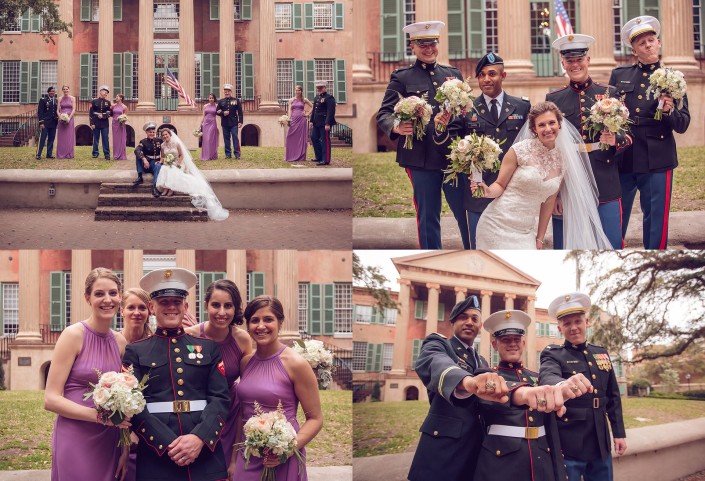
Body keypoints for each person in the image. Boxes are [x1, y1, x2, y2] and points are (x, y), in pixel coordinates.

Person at [122, 268, 231, 481]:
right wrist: (168, 444)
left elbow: (220, 399)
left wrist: (199, 438)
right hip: (157, 454)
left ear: (186, 306)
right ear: (152, 307)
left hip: (204, 452)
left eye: (177, 301)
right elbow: (133, 405)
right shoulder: (136, 351)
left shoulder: (208, 348)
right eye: (164, 302)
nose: (171, 307)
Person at [376, 21, 470, 249]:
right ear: (413, 47)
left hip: (452, 156)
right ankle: (431, 255)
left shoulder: (453, 75)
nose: (429, 49)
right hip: (420, 157)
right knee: (428, 216)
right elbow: (384, 114)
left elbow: (465, 114)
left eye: (432, 43)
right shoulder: (402, 77)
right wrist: (396, 127)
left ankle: (471, 249)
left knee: (465, 212)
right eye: (422, 45)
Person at [471, 101, 611, 249]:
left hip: (525, 232)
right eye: (541, 125)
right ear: (534, 129)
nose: (548, 129)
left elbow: (549, 201)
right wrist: (487, 191)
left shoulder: (563, 160)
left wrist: (540, 238)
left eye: (552, 123)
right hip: (496, 224)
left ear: (559, 124)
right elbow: (499, 185)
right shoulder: (519, 150)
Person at [474, 310, 593, 481]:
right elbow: (491, 398)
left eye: (516, 339)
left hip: (541, 459)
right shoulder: (486, 376)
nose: (512, 344)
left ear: (523, 343)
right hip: (502, 462)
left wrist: (562, 395)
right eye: (506, 340)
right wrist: (527, 393)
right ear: (494, 344)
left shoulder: (537, 377)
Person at [433, 52, 531, 248]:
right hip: (477, 192)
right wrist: (440, 127)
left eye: (492, 74)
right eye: (482, 75)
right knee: (478, 248)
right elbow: (449, 144)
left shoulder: (522, 106)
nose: (486, 79)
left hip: (512, 192)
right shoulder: (466, 109)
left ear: (503, 76)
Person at [409, 295, 511, 481]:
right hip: (443, 451)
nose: (469, 322)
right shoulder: (440, 344)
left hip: (475, 450)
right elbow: (435, 362)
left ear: (480, 327)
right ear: (453, 322)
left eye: (474, 319)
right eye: (463, 317)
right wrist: (468, 382)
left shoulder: (482, 361)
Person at [609, 16, 690, 249]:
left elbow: (683, 124)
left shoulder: (675, 79)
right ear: (634, 50)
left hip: (658, 156)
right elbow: (611, 114)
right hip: (625, 154)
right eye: (641, 42)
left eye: (651, 40)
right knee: (617, 218)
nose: (648, 45)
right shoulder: (620, 75)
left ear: (659, 43)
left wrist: (669, 110)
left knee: (655, 220)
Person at [547, 34, 632, 250]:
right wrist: (555, 193)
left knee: (611, 244)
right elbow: (550, 148)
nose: (575, 65)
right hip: (570, 180)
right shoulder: (554, 99)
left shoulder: (609, 94)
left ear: (588, 60)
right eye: (570, 61)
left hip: (605, 177)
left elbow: (629, 136)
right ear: (563, 64)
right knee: (566, 247)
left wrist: (616, 140)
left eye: (579, 59)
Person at [44, 267, 130, 481]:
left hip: (109, 439)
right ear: (87, 298)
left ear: (120, 296)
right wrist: (100, 417)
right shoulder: (73, 335)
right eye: (99, 294)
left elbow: (125, 401)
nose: (107, 299)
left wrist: (125, 450)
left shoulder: (120, 343)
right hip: (75, 435)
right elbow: (51, 399)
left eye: (112, 293)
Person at [232, 296, 323, 481]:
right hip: (247, 456)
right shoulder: (245, 363)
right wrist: (234, 460)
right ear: (248, 325)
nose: (261, 326)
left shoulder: (296, 364)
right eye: (254, 320)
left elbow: (315, 419)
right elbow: (242, 414)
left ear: (280, 322)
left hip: (283, 459)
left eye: (268, 319)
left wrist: (287, 449)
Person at [540, 293, 627, 481]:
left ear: (587, 322)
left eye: (577, 321)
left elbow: (613, 397)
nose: (573, 328)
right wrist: (562, 384)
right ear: (559, 328)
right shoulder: (553, 354)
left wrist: (618, 433)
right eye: (567, 323)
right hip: (570, 443)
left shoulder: (601, 353)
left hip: (600, 441)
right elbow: (547, 375)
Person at [184, 279, 253, 478]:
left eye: (228, 306)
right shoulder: (190, 336)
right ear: (206, 305)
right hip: (196, 417)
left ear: (236, 308)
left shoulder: (242, 339)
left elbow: (247, 387)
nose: (222, 312)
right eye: (216, 305)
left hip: (230, 415)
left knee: (227, 472)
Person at [155, 128, 229, 221]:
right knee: (165, 168)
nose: (165, 136)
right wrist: (160, 162)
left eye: (166, 134)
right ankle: (167, 188)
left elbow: (181, 155)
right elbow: (162, 157)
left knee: (172, 169)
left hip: (179, 163)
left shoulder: (176, 143)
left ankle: (169, 189)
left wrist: (178, 163)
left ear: (170, 135)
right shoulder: (162, 145)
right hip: (168, 163)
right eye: (163, 135)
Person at [120, 288, 154, 481]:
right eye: (131, 307)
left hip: (147, 428)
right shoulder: (114, 343)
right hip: (114, 427)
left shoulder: (154, 345)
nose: (137, 312)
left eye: (142, 307)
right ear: (122, 310)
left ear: (149, 310)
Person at [309, 80, 336, 166]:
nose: (319, 89)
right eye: (317, 88)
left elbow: (330, 111)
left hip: (324, 123)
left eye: (320, 88)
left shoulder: (329, 98)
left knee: (325, 141)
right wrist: (311, 121)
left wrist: (327, 123)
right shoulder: (316, 98)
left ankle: (325, 160)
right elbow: (314, 111)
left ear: (325, 87)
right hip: (316, 122)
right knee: (314, 138)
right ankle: (319, 157)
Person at [133, 122, 162, 198]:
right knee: (138, 156)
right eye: (150, 132)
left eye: (153, 132)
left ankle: (155, 187)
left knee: (158, 166)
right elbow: (137, 150)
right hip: (146, 164)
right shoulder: (143, 141)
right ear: (146, 132)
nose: (152, 134)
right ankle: (139, 177)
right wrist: (144, 159)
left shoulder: (159, 140)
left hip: (156, 163)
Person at [285, 85, 313, 162]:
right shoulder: (291, 100)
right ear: (294, 91)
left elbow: (313, 106)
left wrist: (307, 114)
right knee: (289, 137)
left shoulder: (304, 100)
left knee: (301, 138)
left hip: (301, 120)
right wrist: (288, 119)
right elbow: (289, 110)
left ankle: (300, 156)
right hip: (293, 119)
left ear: (301, 91)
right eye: (296, 90)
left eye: (299, 90)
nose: (297, 91)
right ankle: (290, 155)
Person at [216, 83, 243, 159]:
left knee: (235, 137)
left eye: (228, 91)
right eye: (225, 91)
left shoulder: (236, 100)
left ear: (231, 92)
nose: (226, 92)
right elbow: (216, 111)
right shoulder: (221, 101)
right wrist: (223, 113)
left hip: (234, 122)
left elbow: (240, 112)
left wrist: (240, 121)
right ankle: (228, 154)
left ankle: (237, 154)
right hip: (225, 123)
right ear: (224, 92)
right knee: (226, 138)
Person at [90, 86, 112, 160]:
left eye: (107, 92)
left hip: (104, 123)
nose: (105, 93)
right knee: (96, 138)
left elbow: (110, 113)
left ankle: (107, 154)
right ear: (100, 91)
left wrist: (103, 116)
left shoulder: (108, 102)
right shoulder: (94, 101)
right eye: (104, 91)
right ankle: (95, 153)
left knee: (105, 138)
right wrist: (91, 123)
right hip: (96, 122)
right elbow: (91, 113)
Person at [36, 86, 59, 160]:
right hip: (45, 123)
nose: (52, 92)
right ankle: (38, 154)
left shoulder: (56, 101)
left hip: (53, 122)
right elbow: (40, 112)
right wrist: (41, 122)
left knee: (51, 139)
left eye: (53, 91)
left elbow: (57, 111)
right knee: (42, 139)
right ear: (48, 92)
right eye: (51, 91)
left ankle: (49, 154)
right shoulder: (43, 100)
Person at [56, 85, 76, 159]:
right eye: (64, 89)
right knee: (62, 136)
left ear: (69, 89)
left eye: (67, 89)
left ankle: (69, 153)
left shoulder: (73, 98)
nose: (65, 90)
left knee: (69, 136)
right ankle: (61, 153)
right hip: (61, 118)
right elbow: (57, 110)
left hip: (70, 118)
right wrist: (60, 117)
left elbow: (74, 109)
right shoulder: (60, 98)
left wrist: (68, 119)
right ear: (62, 90)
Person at [200, 93, 219, 160]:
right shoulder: (205, 106)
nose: (211, 99)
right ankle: (206, 155)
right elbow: (203, 115)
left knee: (210, 139)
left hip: (213, 123)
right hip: (206, 123)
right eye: (210, 98)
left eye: (212, 98)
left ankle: (212, 155)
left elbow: (220, 113)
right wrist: (201, 123)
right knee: (206, 139)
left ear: (214, 99)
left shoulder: (217, 106)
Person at [111, 94, 128, 160]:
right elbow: (111, 114)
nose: (116, 98)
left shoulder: (124, 107)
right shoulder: (113, 106)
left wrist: (122, 119)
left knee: (121, 139)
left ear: (121, 98)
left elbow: (125, 116)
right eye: (116, 97)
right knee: (115, 139)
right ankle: (115, 154)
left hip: (121, 124)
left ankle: (121, 154)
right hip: (114, 123)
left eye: (117, 97)